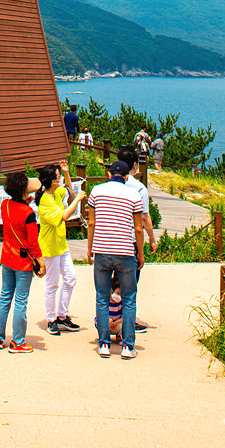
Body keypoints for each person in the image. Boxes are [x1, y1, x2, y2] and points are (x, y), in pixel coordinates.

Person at [86, 159, 144, 360]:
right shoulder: (134, 195)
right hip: (125, 251)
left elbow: (91, 222)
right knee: (129, 298)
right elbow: (138, 228)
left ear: (109, 175)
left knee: (102, 297)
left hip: (101, 250)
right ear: (126, 177)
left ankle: (104, 344)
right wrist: (141, 253)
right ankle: (128, 346)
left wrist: (90, 249)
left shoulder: (96, 191)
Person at [0, 171, 45, 353]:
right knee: (21, 301)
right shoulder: (28, 213)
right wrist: (41, 262)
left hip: (7, 258)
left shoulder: (5, 205)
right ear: (24, 192)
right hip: (23, 262)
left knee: (5, 297)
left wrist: (24, 202)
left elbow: (15, 215)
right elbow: (33, 243)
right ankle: (18, 341)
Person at [36, 160, 81, 336]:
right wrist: (77, 200)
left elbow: (68, 190)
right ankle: (51, 320)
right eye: (59, 176)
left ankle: (62, 316)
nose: (60, 178)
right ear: (52, 181)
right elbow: (64, 216)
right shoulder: (45, 201)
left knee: (71, 279)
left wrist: (67, 172)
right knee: (52, 284)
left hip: (62, 245)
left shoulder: (56, 192)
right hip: (50, 247)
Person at [116, 148, 157, 333]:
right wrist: (152, 239)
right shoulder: (139, 188)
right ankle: (127, 322)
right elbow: (144, 218)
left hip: (108, 239)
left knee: (112, 284)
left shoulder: (107, 185)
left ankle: (111, 317)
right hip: (129, 240)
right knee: (129, 284)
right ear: (135, 165)